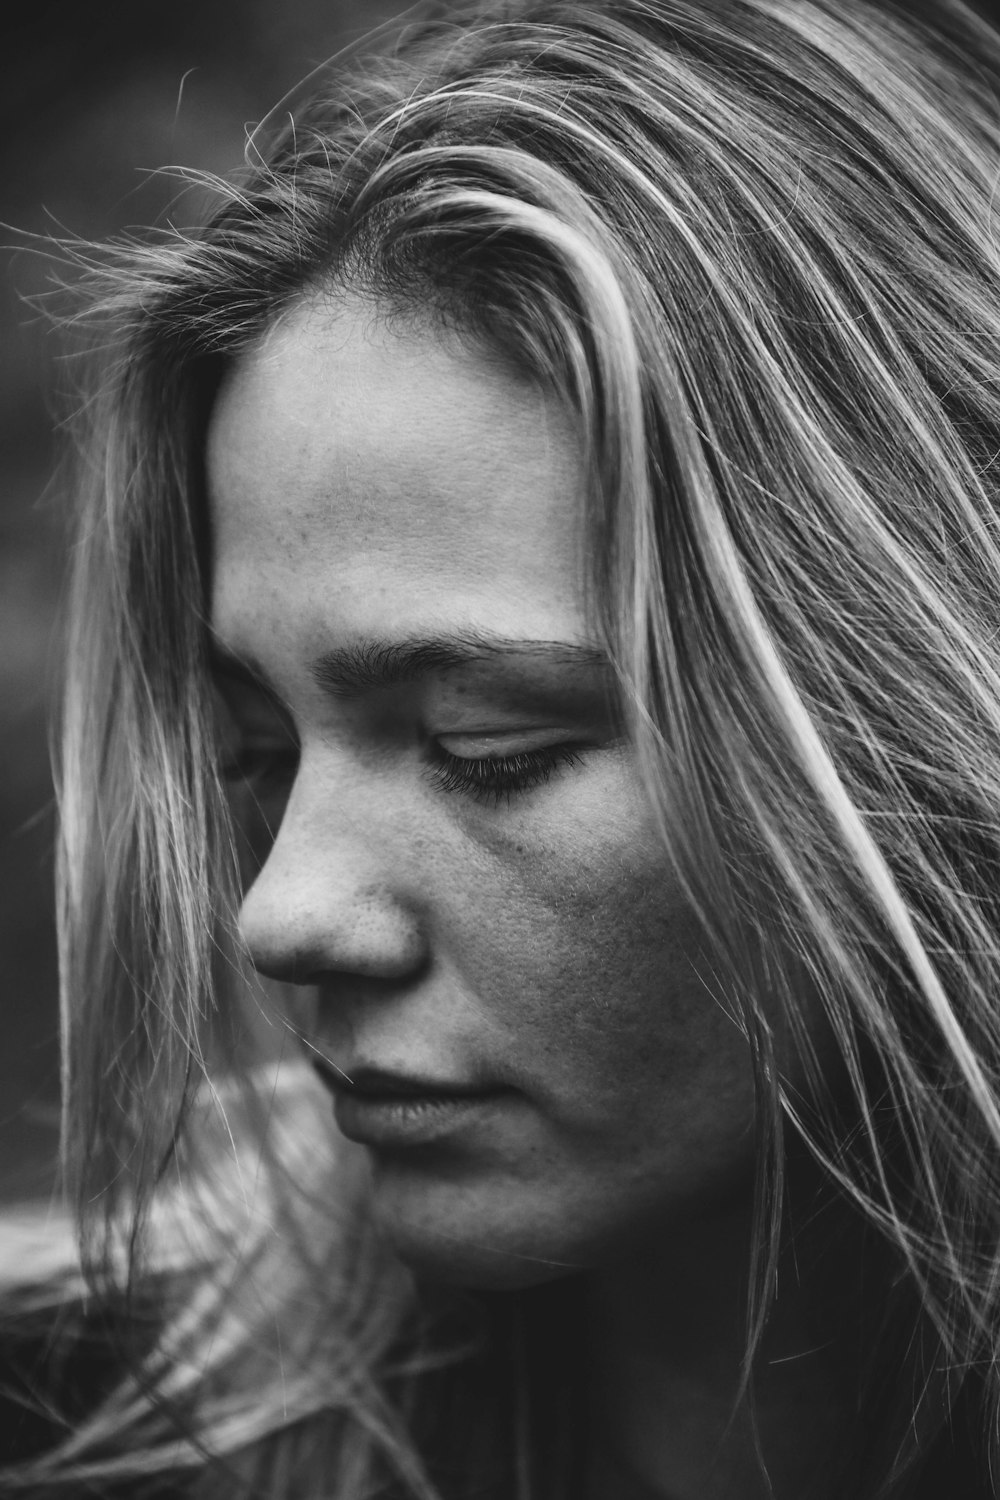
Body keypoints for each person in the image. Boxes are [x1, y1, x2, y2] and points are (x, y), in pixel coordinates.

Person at [4, 0, 1000, 1493]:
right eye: (255, 751)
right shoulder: (60, 1425)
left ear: (926, 701)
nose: (285, 912)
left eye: (489, 744)